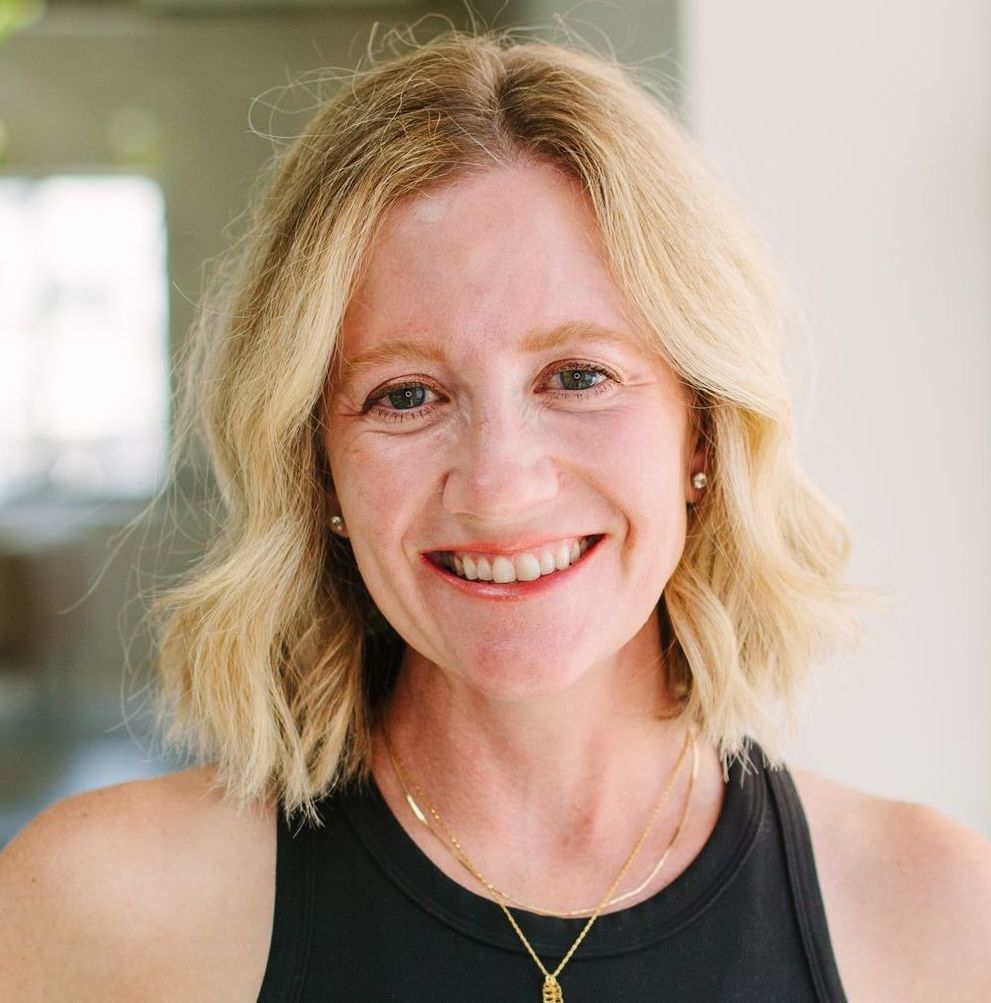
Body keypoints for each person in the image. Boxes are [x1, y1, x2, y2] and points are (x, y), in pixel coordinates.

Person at [1, 28, 989, 1003]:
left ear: (701, 433)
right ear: (320, 471)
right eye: (404, 394)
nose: (499, 486)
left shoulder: (936, 914)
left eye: (577, 376)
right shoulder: (101, 908)